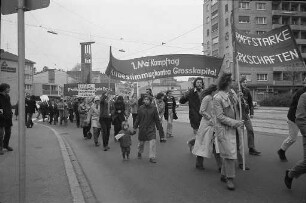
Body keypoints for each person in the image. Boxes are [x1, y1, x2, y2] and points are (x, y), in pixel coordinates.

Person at [213, 73, 244, 190]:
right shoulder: (217, 98)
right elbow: (220, 117)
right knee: (230, 155)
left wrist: (240, 98)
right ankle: (230, 179)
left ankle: (223, 174)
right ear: (227, 82)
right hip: (225, 130)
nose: (233, 83)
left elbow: (236, 107)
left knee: (230, 152)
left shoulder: (232, 93)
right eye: (231, 81)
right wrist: (235, 123)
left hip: (234, 129)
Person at [192, 84, 221, 171]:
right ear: (213, 91)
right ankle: (199, 163)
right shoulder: (207, 98)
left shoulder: (214, 99)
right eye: (217, 91)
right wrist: (209, 118)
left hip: (213, 124)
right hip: (206, 125)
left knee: (216, 145)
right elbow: (201, 111)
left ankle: (221, 166)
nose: (218, 92)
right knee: (203, 143)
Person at [278, 78, 306, 161]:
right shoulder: (301, 92)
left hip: (302, 118)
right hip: (294, 118)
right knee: (292, 138)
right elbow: (300, 107)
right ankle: (281, 150)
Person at [284, 91, 306, 189]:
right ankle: (290, 174)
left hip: (293, 119)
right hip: (293, 120)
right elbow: (300, 118)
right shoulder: (303, 95)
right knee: (292, 138)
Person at [133, 94, 163, 163]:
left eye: (147, 100)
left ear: (150, 101)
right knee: (141, 143)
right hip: (142, 128)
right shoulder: (141, 108)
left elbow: (157, 120)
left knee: (152, 142)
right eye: (145, 100)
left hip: (151, 128)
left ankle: (152, 157)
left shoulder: (154, 108)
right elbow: (138, 119)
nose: (146, 101)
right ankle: (139, 152)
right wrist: (135, 127)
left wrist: (160, 129)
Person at [179, 77, 204, 152]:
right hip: (194, 117)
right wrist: (184, 95)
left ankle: (191, 142)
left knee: (203, 135)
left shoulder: (205, 92)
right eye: (198, 82)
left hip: (204, 117)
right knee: (199, 135)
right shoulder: (190, 92)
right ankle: (198, 152)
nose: (199, 84)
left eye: (200, 82)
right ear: (195, 84)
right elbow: (181, 101)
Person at [239, 77, 261, 156]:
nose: (245, 83)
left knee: (250, 130)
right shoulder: (236, 91)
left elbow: (250, 102)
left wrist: (252, 112)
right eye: (243, 82)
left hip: (245, 114)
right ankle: (239, 150)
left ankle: (251, 148)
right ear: (240, 83)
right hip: (238, 115)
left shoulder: (247, 91)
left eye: (246, 82)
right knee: (239, 133)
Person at [0, 83, 14, 153]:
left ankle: (6, 145)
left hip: (8, 117)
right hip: (1, 118)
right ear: (4, 89)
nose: (9, 89)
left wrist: (11, 112)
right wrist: (1, 115)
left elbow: (9, 105)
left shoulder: (7, 96)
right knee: (1, 134)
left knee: (8, 132)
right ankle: (0, 148)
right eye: (8, 88)